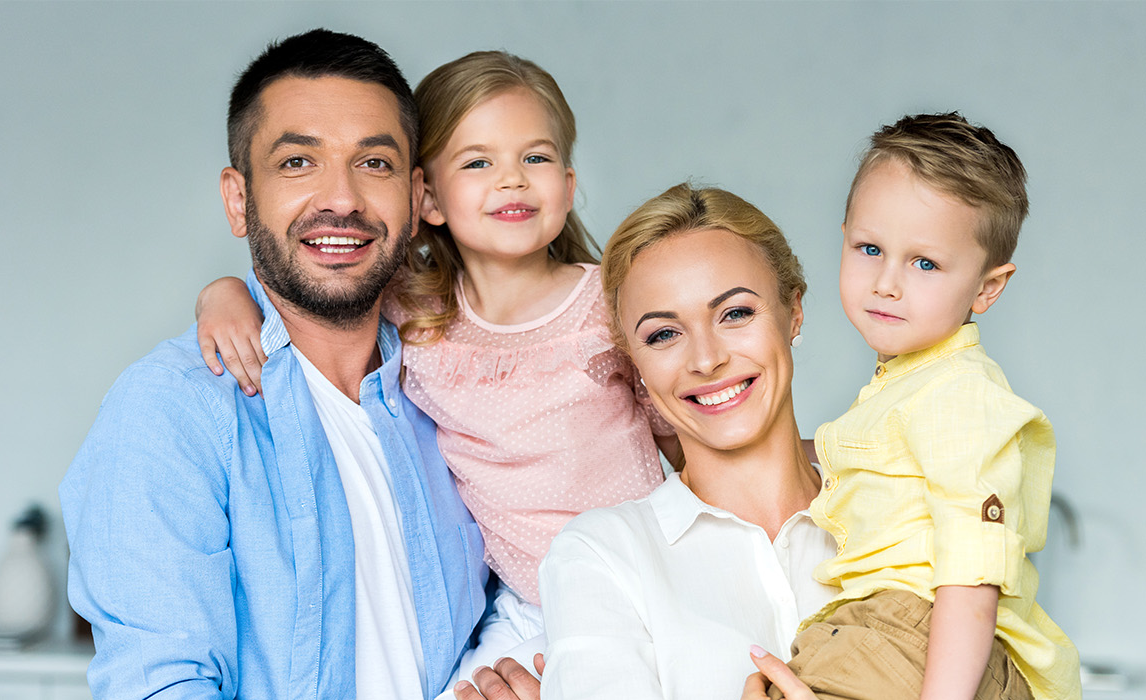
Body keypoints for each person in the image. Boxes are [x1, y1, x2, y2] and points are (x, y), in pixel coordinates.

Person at [192, 51, 680, 691]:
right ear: (427, 198)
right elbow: (313, 284)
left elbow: (686, 439)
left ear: (567, 182)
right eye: (479, 163)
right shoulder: (415, 312)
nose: (511, 181)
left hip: (644, 585)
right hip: (527, 608)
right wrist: (224, 292)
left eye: (534, 159)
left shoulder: (611, 304)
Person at [59, 29, 490, 700]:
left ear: (414, 199)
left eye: (373, 164)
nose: (341, 198)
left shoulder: (455, 396)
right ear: (239, 199)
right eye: (297, 163)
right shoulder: (172, 409)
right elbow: (161, 686)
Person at [769, 113, 1078, 700]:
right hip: (877, 631)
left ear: (987, 288)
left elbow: (971, 575)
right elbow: (842, 460)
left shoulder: (961, 394)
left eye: (925, 263)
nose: (886, 281)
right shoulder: (907, 389)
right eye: (869, 248)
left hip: (922, 632)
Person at [527, 183, 840, 700]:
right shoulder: (602, 556)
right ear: (635, 363)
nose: (706, 359)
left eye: (736, 313)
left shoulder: (898, 508)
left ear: (795, 312)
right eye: (663, 335)